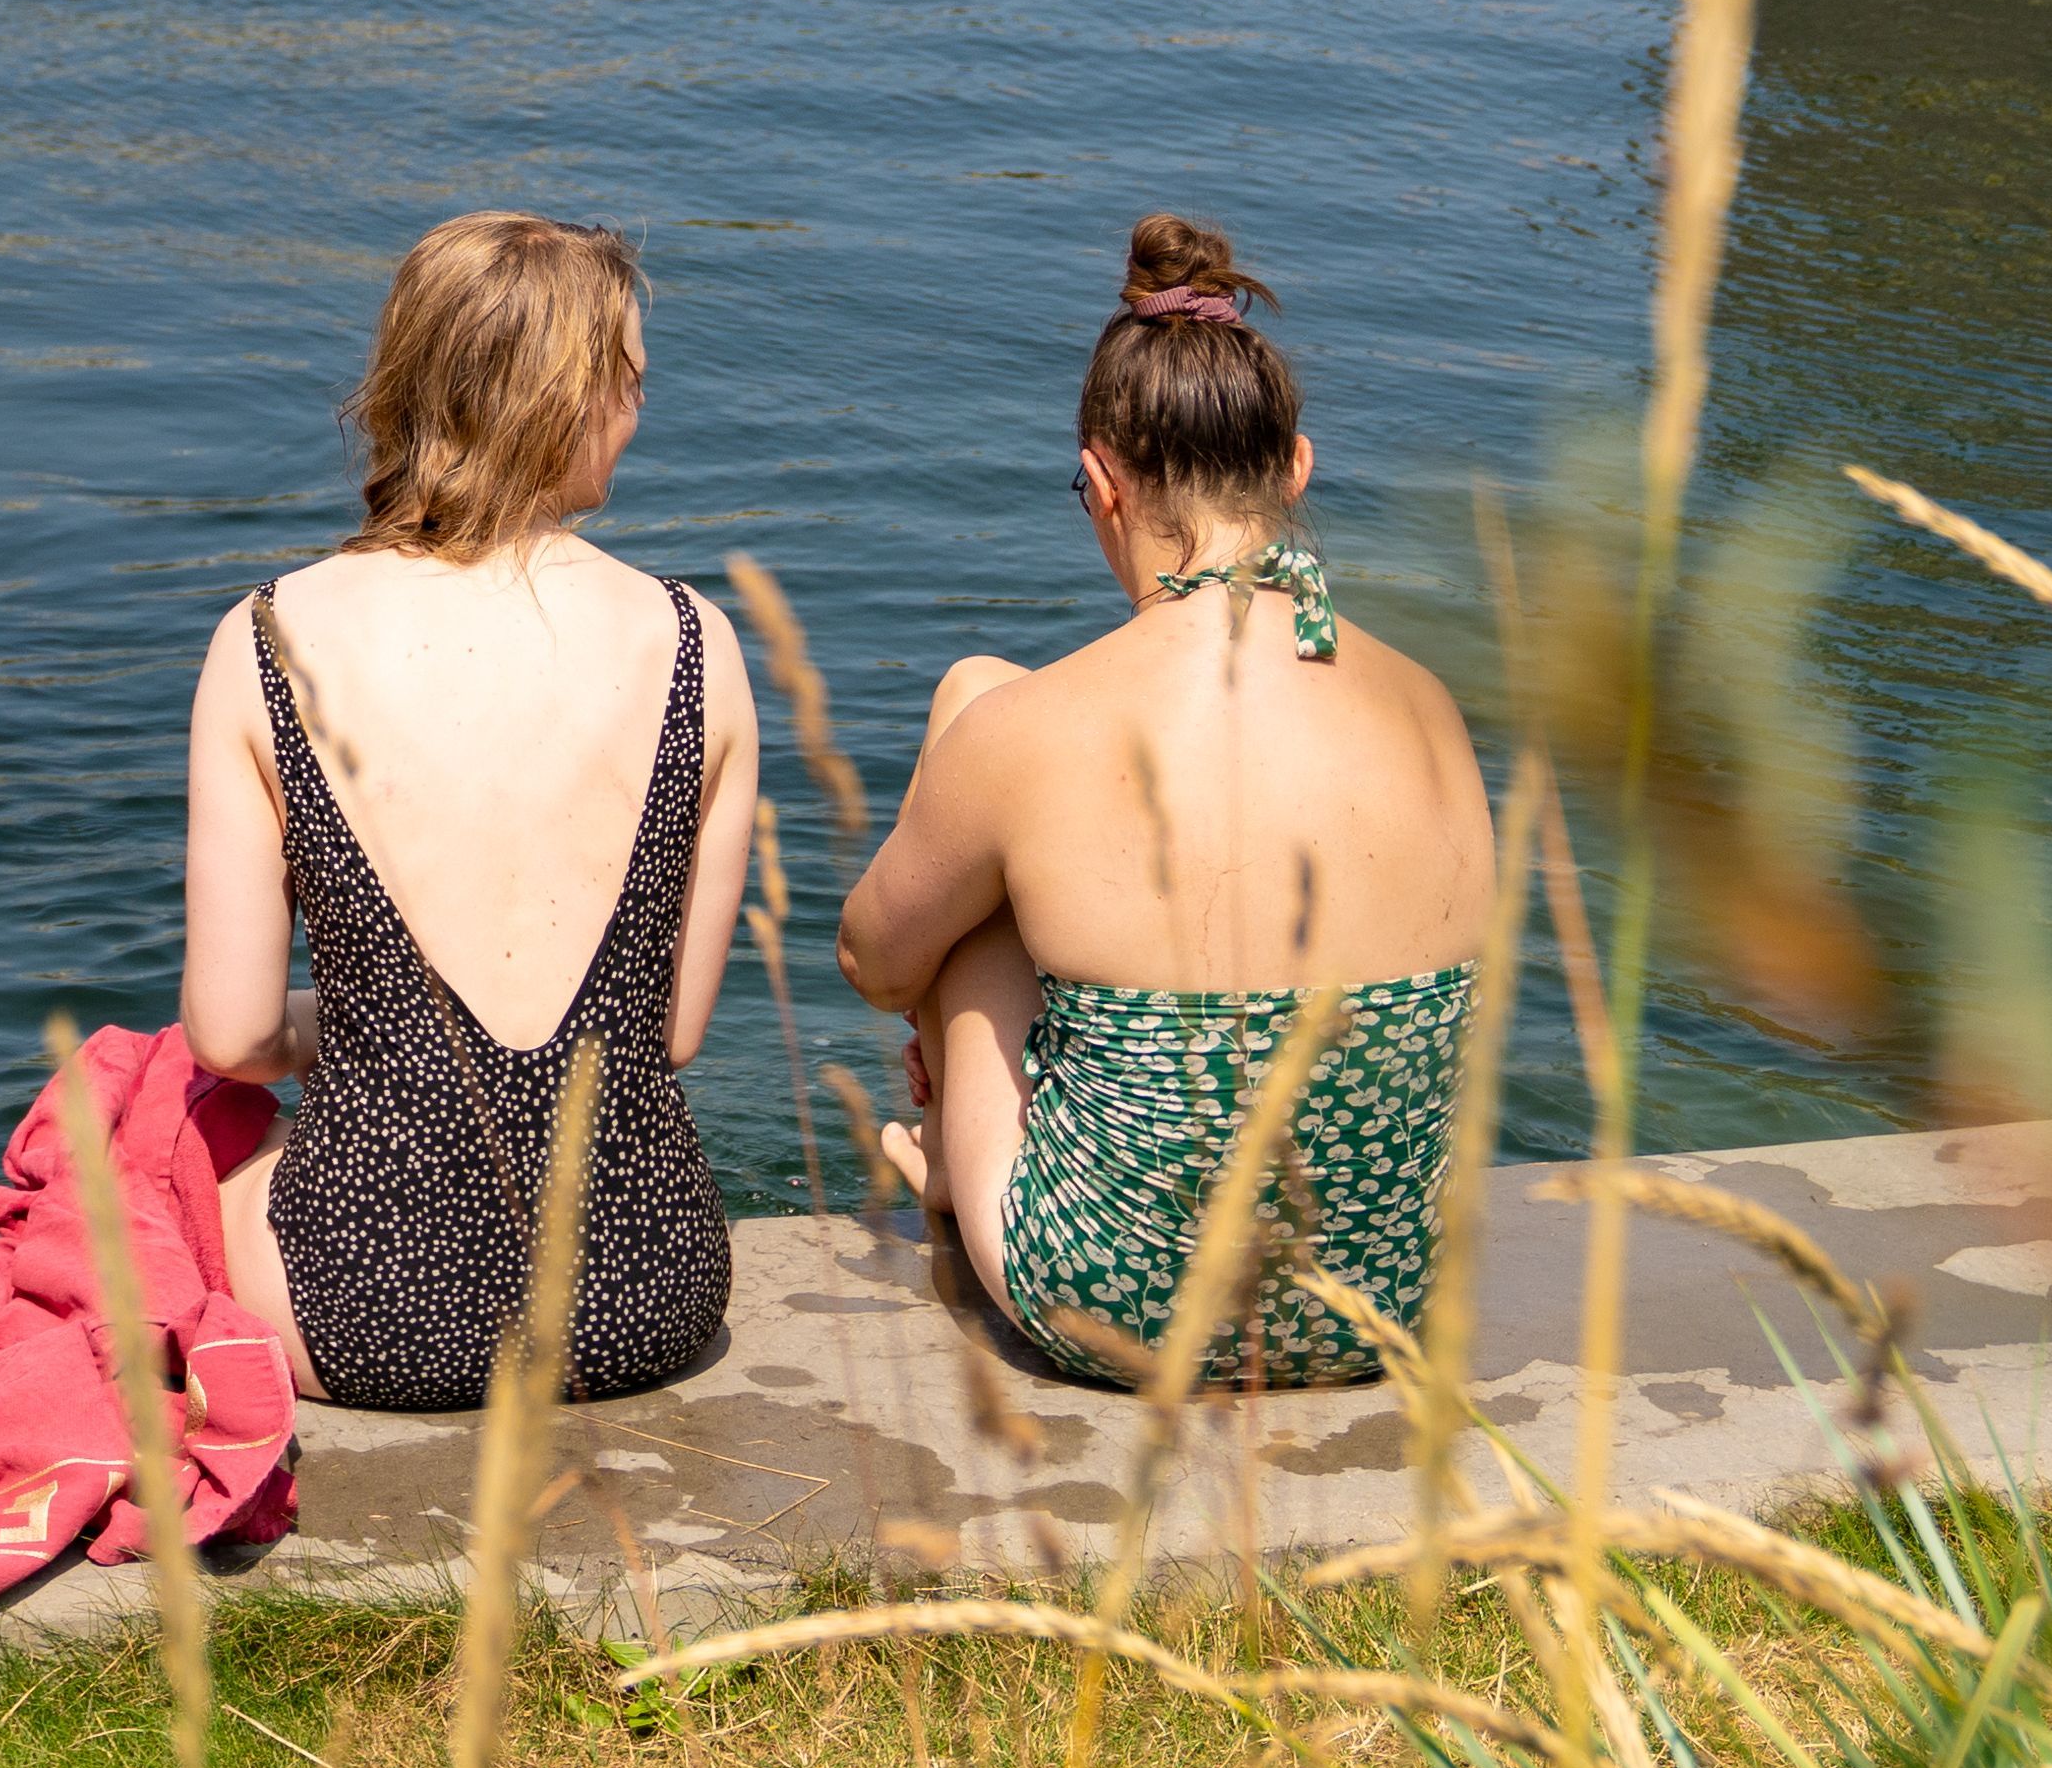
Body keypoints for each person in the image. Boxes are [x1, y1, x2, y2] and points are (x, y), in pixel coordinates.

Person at [836, 216, 1498, 1394]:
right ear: (1295, 468)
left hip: (1120, 1311)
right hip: (1384, 1301)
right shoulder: (1427, 707)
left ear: (1096, 483)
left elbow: (878, 963)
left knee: (972, 711)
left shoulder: (1031, 733)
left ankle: (958, 1167)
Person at [182, 213, 756, 1412]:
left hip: (373, 1319)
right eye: (629, 385)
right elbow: (673, 1030)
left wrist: (371, 1020)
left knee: (169, 1136)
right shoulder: (695, 640)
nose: (637, 415)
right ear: (573, 403)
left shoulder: (267, 639)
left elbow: (232, 1038)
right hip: (646, 1295)